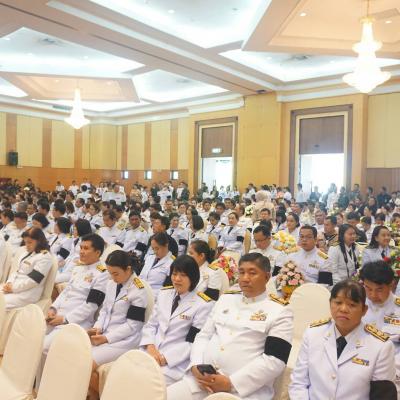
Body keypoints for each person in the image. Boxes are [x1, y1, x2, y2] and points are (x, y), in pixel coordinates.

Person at [167, 252, 293, 400]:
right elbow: (203, 336)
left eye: (252, 273)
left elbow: (275, 360)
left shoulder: (280, 311)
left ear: (267, 277)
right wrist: (196, 365)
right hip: (202, 381)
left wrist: (231, 383)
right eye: (242, 272)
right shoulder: (225, 300)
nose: (245, 278)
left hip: (242, 391)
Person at [289, 279, 397, 400]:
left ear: (364, 310)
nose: (343, 309)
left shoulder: (380, 346)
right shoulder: (313, 333)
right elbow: (298, 383)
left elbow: (383, 396)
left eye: (352, 305)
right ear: (330, 303)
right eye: (338, 302)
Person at [140, 255, 214, 386]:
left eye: (183, 275)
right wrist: (150, 347)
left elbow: (193, 342)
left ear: (193, 277)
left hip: (173, 363)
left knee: (145, 385)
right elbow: (151, 325)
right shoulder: (164, 294)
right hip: (150, 353)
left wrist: (165, 358)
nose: (177, 279)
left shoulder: (203, 304)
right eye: (174, 274)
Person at [87, 250, 148, 400]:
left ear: (128, 269)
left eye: (116, 274)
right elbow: (105, 311)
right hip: (105, 333)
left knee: (85, 363)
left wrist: (106, 338)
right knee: (77, 354)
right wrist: (97, 328)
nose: (113, 278)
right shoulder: (111, 284)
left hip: (124, 341)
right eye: (110, 273)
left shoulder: (139, 290)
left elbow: (133, 326)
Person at [43, 233, 109, 351]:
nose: (81, 251)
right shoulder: (78, 268)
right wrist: (53, 308)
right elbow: (66, 292)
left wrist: (65, 319)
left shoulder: (102, 274)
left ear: (97, 252)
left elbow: (91, 306)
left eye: (86, 248)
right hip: (58, 315)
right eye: (81, 247)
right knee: (35, 336)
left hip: (75, 322)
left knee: (46, 346)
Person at [360, 261, 400, 394]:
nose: (372, 295)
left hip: (393, 370)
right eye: (368, 288)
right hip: (359, 365)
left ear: (391, 285)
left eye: (379, 289)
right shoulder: (357, 304)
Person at [1, 227, 53, 309]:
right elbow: (16, 272)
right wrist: (9, 283)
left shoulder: (45, 257)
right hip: (14, 287)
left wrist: (13, 288)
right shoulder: (26, 253)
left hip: (27, 293)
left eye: (30, 242)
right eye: (25, 242)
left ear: (39, 242)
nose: (27, 245)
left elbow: (33, 281)